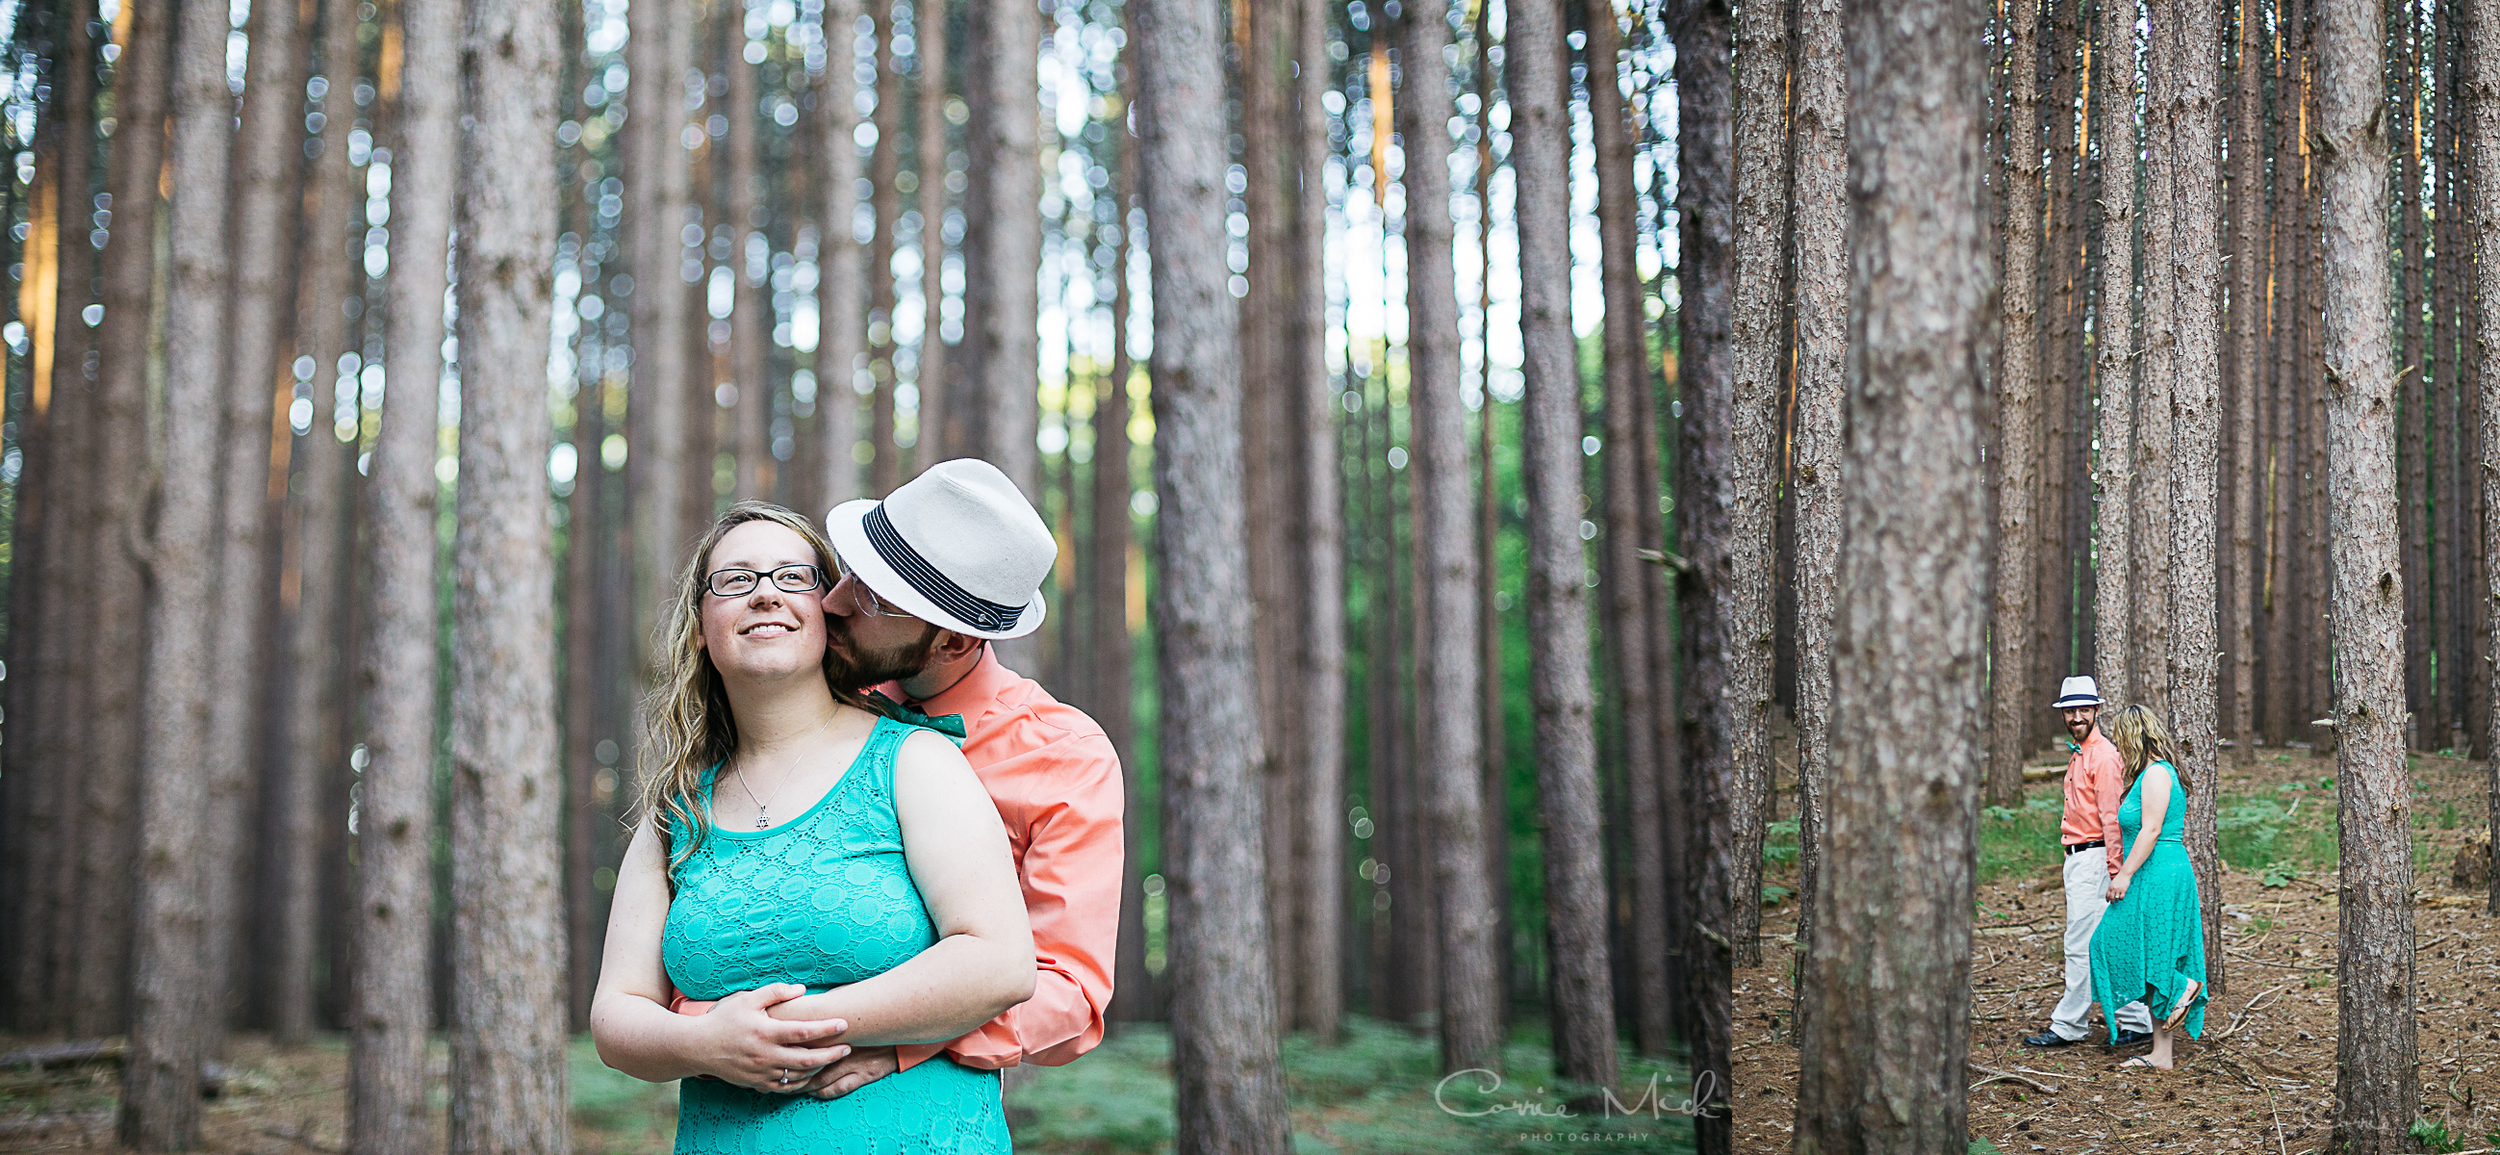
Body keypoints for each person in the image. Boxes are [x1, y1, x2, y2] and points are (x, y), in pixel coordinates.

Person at [589, 502, 1036, 1154]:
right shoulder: (675, 812)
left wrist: (781, 1029)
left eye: (793, 576)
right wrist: (706, 1044)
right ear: (699, 631)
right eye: (735, 579)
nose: (765, 591)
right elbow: (614, 1014)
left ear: (827, 616)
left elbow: (1000, 962)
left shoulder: (915, 760)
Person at [674, 458, 1126, 1101]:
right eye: (850, 573)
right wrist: (705, 1031)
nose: (831, 602)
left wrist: (905, 1041)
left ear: (950, 643)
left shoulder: (1063, 757)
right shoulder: (818, 692)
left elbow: (1071, 990)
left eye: (870, 599)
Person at [2023, 676, 2156, 1049]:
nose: (2077, 716)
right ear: (2064, 714)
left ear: (2096, 710)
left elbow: (2112, 819)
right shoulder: (2080, 753)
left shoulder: (2103, 757)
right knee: (2107, 940)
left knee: (2079, 944)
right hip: (2081, 859)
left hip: (2097, 859)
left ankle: (2068, 1026)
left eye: (2084, 709)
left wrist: (2117, 872)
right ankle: (2136, 1020)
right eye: (2071, 710)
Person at [2089, 703, 2208, 1070]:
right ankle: (2162, 1054)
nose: (2120, 750)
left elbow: (2152, 830)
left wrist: (2123, 874)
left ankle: (2184, 987)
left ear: (2133, 737)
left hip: (2160, 873)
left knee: (2106, 943)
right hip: (2152, 871)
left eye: (2121, 741)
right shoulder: (2150, 774)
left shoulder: (2157, 774)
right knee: (2151, 953)